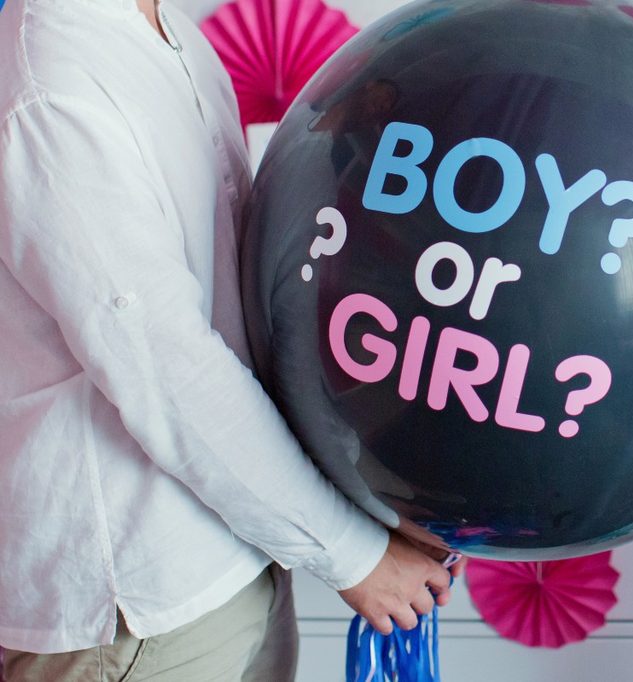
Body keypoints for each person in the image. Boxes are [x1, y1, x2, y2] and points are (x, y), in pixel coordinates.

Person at [0, 0, 458, 679]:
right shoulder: (52, 87)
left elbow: (234, 282)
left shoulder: (170, 31)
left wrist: (345, 146)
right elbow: (168, 370)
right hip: (140, 602)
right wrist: (353, 552)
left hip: (245, 543)